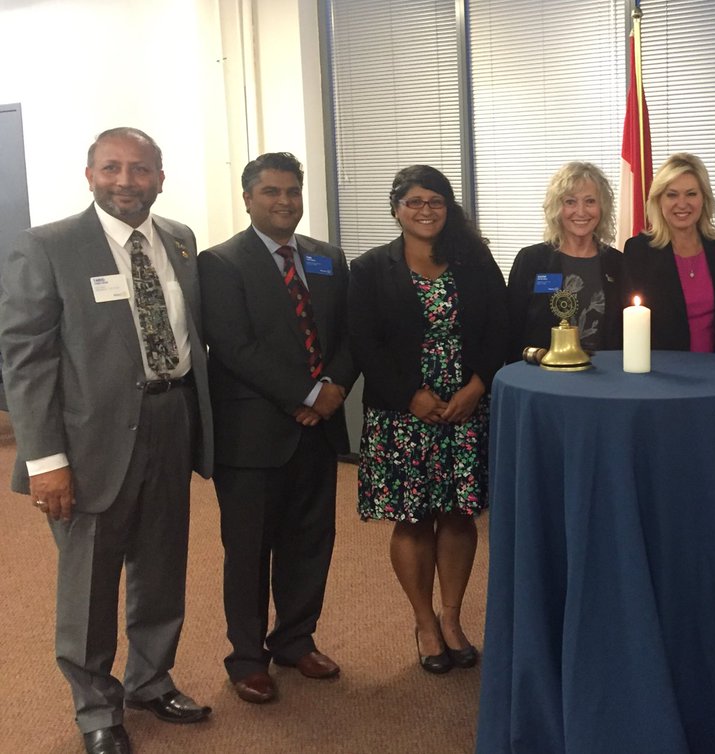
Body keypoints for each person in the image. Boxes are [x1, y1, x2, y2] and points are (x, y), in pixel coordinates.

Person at [0, 127, 214, 754]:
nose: (127, 181)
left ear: (160, 177)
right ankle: (95, 707)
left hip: (171, 420)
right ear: (89, 174)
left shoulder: (178, 241)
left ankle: (150, 678)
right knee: (90, 580)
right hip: (88, 441)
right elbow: (26, 360)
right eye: (113, 168)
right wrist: (44, 460)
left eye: (141, 170)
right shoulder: (49, 246)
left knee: (162, 563)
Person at [198, 152, 357, 704]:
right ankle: (247, 658)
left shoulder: (328, 258)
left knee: (311, 541)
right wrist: (308, 394)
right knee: (248, 551)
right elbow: (235, 347)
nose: (284, 201)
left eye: (292, 191)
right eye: (270, 192)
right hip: (251, 436)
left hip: (318, 432)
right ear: (247, 198)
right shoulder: (220, 262)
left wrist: (334, 385)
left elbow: (347, 332)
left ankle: (295, 639)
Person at [349, 165, 506, 674]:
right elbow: (364, 343)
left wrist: (477, 385)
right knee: (413, 517)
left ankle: (453, 618)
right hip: (402, 412)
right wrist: (408, 395)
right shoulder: (370, 268)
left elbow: (499, 327)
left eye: (435, 201)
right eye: (414, 202)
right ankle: (423, 621)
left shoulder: (474, 258)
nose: (425, 211)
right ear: (396, 208)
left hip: (465, 403)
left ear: (448, 207)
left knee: (459, 514)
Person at [623, 152, 715, 352]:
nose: (682, 204)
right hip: (663, 373)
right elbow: (629, 327)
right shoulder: (639, 251)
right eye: (672, 194)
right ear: (659, 199)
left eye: (691, 194)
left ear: (704, 198)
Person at [507, 161, 623, 360]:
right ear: (557, 208)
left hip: (606, 379)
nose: (581, 211)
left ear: (602, 207)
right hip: (545, 378)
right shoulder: (531, 260)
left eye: (590, 201)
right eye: (570, 202)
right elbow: (510, 331)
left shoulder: (617, 263)